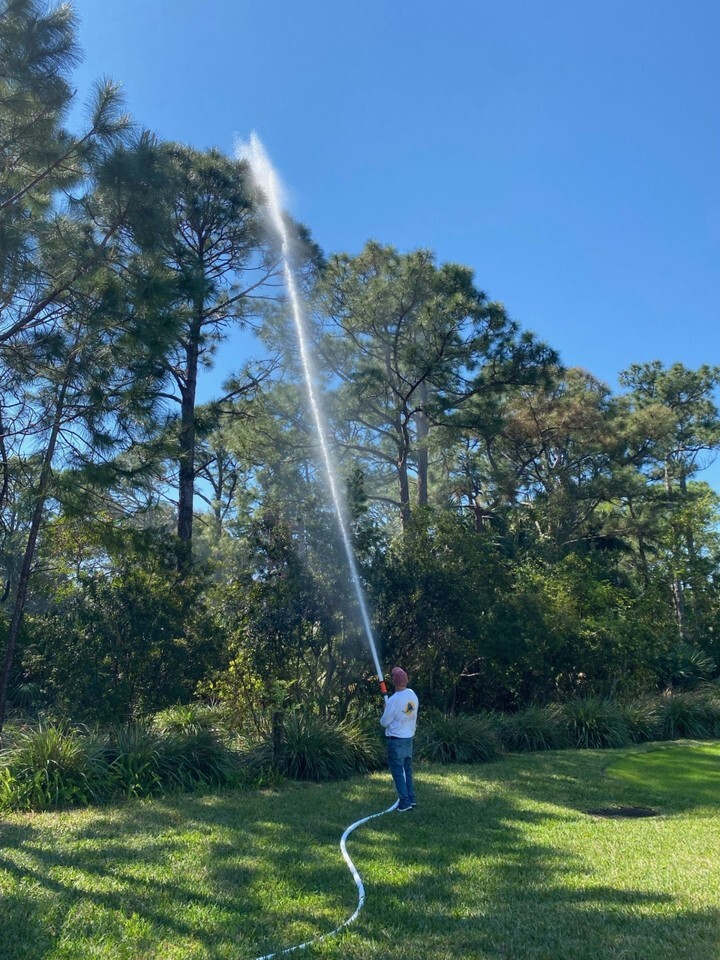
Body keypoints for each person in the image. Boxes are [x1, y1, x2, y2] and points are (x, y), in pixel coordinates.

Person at [380, 666, 419, 812]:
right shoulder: (412, 694)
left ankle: (404, 802)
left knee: (398, 771)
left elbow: (384, 722)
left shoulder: (393, 700)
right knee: (406, 770)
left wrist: (386, 709)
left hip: (396, 741)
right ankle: (411, 798)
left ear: (394, 682)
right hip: (408, 739)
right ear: (406, 680)